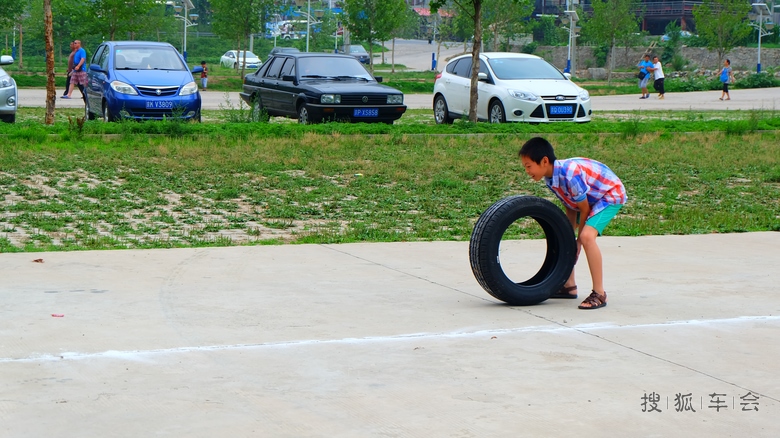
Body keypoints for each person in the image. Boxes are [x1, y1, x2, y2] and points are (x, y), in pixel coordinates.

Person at [518, 137, 627, 310]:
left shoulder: (570, 174)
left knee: (586, 237)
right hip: (590, 199)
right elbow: (571, 205)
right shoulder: (550, 179)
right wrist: (568, 236)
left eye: (528, 166)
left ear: (544, 161)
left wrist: (578, 242)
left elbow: (583, 209)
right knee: (565, 236)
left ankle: (599, 293)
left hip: (609, 196)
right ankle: (568, 286)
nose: (527, 171)